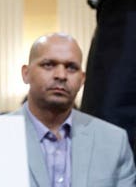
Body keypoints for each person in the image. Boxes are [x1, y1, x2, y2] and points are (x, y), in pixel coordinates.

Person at [12, 33, 136, 187]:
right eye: (48, 64)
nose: (61, 75)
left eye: (71, 67)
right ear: (26, 73)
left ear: (82, 79)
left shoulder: (114, 141)